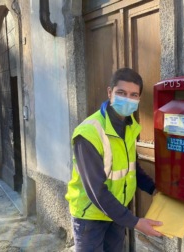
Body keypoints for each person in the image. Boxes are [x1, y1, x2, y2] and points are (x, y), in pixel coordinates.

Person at [65, 68, 163, 251]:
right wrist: (135, 222)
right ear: (109, 92)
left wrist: (153, 189)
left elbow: (132, 169)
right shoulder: (88, 133)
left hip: (116, 213)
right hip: (90, 216)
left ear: (139, 99)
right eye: (121, 93)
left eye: (134, 95)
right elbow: (97, 191)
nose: (127, 99)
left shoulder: (130, 127)